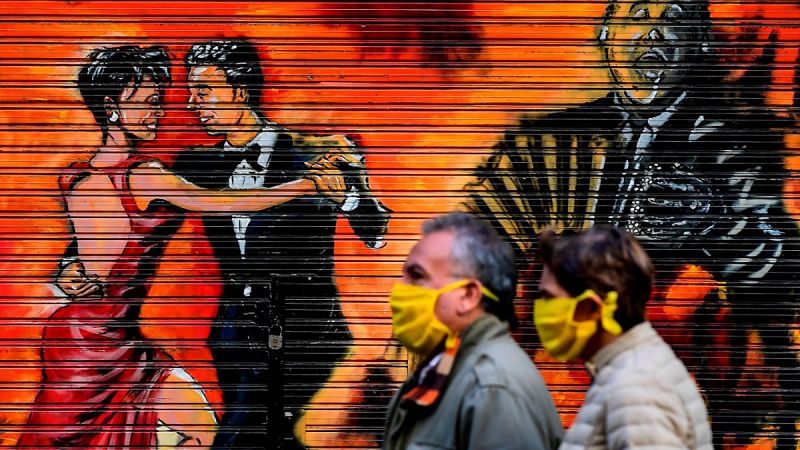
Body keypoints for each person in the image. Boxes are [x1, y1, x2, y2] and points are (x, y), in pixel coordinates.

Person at [464, 0, 799, 446]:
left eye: (673, 19)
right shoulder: (546, 138)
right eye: (638, 17)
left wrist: (716, 223)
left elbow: (780, 265)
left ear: (699, 43)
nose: (654, 33)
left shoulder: (737, 144)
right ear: (606, 35)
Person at [20, 45, 344, 448]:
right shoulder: (147, 176)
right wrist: (308, 184)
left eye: (158, 100)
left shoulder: (76, 177)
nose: (158, 112)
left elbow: (91, 247)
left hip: (91, 336)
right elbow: (228, 202)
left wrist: (68, 271)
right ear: (112, 107)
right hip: (97, 343)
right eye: (148, 102)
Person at [171, 39, 391, 448]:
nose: (191, 103)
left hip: (306, 334)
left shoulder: (319, 153)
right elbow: (142, 221)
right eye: (190, 92)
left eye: (203, 91)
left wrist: (344, 196)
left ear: (239, 91)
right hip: (235, 336)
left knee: (242, 437)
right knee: (272, 440)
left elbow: (375, 230)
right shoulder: (195, 164)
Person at [383, 212, 563, 450]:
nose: (399, 289)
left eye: (417, 276)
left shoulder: (493, 388)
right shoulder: (438, 373)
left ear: (468, 295)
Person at [535, 225, 713, 450]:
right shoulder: (623, 372)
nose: (540, 309)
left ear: (591, 306)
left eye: (549, 298)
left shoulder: (636, 390)